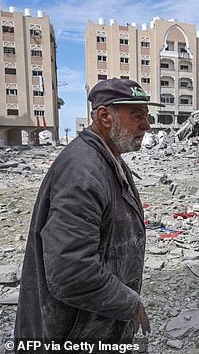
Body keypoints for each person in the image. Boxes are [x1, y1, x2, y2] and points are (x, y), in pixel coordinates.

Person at [14, 78, 163, 347]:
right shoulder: (83, 173)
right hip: (73, 333)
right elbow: (71, 272)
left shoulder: (107, 158)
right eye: (137, 115)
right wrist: (128, 303)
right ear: (105, 117)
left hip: (91, 325)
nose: (147, 124)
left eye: (147, 114)